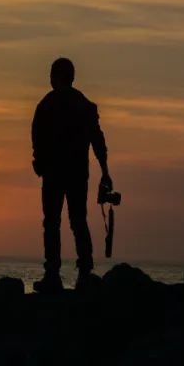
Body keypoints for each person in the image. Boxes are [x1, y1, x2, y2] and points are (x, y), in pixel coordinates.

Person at [31, 57, 112, 293]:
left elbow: (37, 139)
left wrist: (39, 162)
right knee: (78, 221)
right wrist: (105, 172)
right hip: (77, 174)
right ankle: (84, 273)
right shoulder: (84, 105)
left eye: (51, 74)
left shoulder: (47, 104)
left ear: (56, 77)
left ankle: (53, 276)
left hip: (55, 174)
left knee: (52, 223)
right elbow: (99, 142)